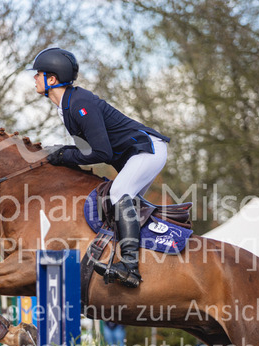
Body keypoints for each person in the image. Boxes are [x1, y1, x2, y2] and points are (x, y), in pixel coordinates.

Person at [30, 47, 170, 288]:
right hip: (138, 155)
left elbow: (101, 153)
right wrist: (60, 153)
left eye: (38, 73)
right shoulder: (67, 106)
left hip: (148, 150)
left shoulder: (79, 103)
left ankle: (130, 267)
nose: (34, 78)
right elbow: (86, 150)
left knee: (118, 194)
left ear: (51, 79)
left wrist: (63, 155)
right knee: (121, 208)